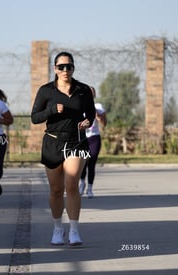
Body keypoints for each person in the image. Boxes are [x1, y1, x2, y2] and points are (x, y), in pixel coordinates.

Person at [31, 51, 96, 246]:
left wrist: (87, 122)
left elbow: (90, 113)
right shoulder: (46, 91)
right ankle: (58, 229)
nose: (65, 70)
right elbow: (35, 117)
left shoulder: (83, 90)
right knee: (56, 189)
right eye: (61, 67)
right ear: (55, 69)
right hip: (52, 142)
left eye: (69, 66)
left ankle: (74, 231)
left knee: (72, 184)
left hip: (76, 141)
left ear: (73, 68)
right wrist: (51, 110)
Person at [79, 87, 107, 198]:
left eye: (92, 93)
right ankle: (82, 183)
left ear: (94, 95)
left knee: (92, 162)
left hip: (94, 138)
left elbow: (104, 124)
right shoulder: (79, 106)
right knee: (82, 163)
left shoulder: (98, 107)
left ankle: (90, 188)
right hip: (82, 138)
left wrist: (99, 117)